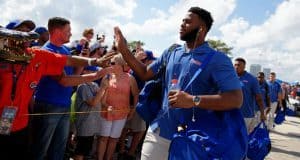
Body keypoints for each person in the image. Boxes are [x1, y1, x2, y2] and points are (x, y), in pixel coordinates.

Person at [114, 6, 247, 160]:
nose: (182, 24)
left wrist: (192, 100)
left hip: (192, 141)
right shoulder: (171, 52)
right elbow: (144, 73)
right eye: (182, 21)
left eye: (188, 22)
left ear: (201, 29)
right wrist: (124, 50)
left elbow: (236, 99)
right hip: (158, 133)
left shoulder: (218, 59)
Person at [0, 19, 113, 160]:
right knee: (37, 148)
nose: (26, 37)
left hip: (20, 122)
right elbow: (64, 80)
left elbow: (67, 60)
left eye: (28, 32)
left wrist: (93, 62)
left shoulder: (35, 55)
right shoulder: (3, 60)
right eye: (21, 32)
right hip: (21, 114)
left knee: (31, 150)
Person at [97, 54, 139, 160]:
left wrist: (133, 110)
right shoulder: (107, 77)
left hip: (122, 113)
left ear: (120, 64)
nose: (109, 65)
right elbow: (101, 96)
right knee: (103, 138)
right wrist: (106, 106)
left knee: (114, 139)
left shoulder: (130, 78)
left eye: (112, 63)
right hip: (106, 112)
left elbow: (136, 94)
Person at [73, 66, 106, 160]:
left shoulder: (94, 85)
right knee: (80, 151)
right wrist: (103, 87)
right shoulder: (82, 86)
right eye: (92, 71)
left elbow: (101, 100)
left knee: (85, 151)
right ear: (85, 71)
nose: (95, 74)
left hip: (92, 125)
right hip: (84, 125)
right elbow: (93, 102)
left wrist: (105, 87)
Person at [234, 58, 266, 133]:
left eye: (238, 65)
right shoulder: (230, 77)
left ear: (244, 67)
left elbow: (258, 98)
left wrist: (262, 113)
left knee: (243, 137)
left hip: (245, 115)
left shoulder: (252, 79)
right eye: (235, 65)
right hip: (230, 113)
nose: (236, 67)